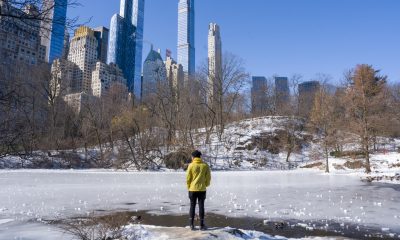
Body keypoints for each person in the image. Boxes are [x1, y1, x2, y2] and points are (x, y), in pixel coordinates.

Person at [186, 150, 211, 230]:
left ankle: (191, 225)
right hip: (202, 189)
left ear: (193, 157)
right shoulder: (205, 165)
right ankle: (201, 225)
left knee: (192, 206)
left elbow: (188, 178)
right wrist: (205, 185)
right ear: (200, 157)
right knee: (201, 206)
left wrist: (189, 187)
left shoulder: (190, 165)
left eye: (192, 156)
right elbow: (208, 178)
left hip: (192, 189)